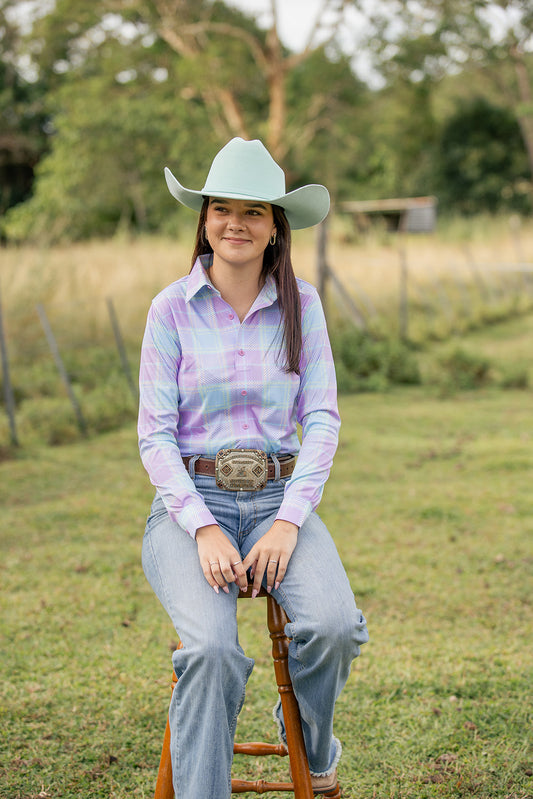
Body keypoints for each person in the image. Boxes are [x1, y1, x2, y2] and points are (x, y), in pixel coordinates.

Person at [138, 137, 368, 798]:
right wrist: (203, 527)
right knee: (210, 652)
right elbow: (153, 434)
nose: (233, 222)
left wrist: (289, 520)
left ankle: (311, 738)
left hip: (277, 500)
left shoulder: (303, 304)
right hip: (190, 503)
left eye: (252, 211)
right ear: (204, 219)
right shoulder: (169, 310)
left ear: (275, 228)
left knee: (330, 626)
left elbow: (320, 418)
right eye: (219, 208)